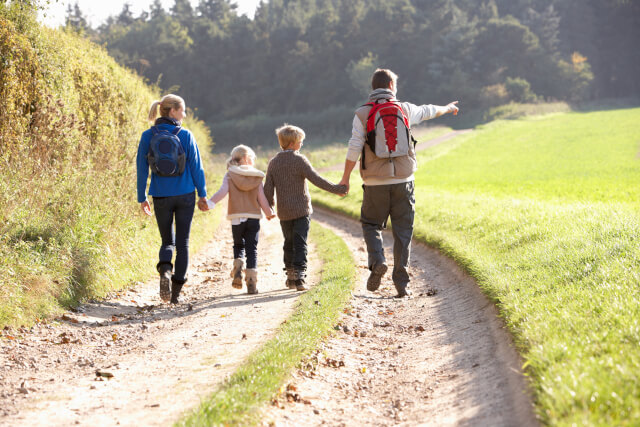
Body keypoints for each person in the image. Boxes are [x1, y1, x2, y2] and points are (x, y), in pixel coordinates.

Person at [338, 69, 459, 298]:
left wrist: (345, 179)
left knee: (371, 224)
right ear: (391, 85)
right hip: (404, 180)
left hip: (374, 182)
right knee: (403, 231)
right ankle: (402, 284)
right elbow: (429, 111)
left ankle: (378, 261)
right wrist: (449, 108)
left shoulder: (362, 114)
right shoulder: (405, 109)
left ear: (373, 87)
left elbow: (354, 146)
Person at [136, 94, 208, 304]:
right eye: (183, 110)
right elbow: (197, 168)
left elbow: (142, 170)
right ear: (173, 111)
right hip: (185, 194)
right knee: (183, 243)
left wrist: (142, 197)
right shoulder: (185, 135)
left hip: (160, 195)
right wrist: (202, 195)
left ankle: (165, 270)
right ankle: (175, 294)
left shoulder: (147, 136)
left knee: (168, 240)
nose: (185, 114)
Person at [264, 124, 347, 291]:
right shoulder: (299, 159)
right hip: (302, 210)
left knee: (288, 242)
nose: (301, 144)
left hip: (285, 212)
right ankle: (300, 277)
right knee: (300, 242)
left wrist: (269, 208)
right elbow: (316, 179)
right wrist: (337, 189)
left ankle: (290, 276)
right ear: (293, 143)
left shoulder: (273, 163)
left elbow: (268, 188)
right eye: (300, 141)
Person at [204, 145, 275, 294]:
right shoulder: (256, 177)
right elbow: (261, 198)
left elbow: (222, 192)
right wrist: (268, 212)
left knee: (238, 245)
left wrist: (210, 203)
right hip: (253, 217)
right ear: (246, 159)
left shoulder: (230, 175)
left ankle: (238, 265)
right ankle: (251, 282)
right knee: (252, 249)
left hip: (236, 217)